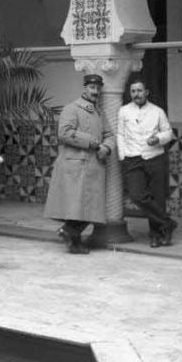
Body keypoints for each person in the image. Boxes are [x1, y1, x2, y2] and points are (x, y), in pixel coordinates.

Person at [44, 73, 116, 254]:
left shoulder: (100, 112)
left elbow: (109, 134)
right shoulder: (72, 109)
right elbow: (64, 133)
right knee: (78, 207)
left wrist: (106, 148)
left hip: (93, 165)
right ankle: (72, 237)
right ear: (85, 88)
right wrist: (92, 142)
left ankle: (70, 236)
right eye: (92, 88)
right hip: (75, 166)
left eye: (98, 88)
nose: (95, 92)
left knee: (89, 207)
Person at [117, 79, 177, 247]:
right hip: (132, 158)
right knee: (137, 195)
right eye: (133, 91)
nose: (137, 94)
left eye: (140, 91)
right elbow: (120, 134)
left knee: (157, 198)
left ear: (146, 92)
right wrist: (123, 155)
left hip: (154, 158)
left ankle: (157, 234)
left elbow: (168, 133)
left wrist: (157, 139)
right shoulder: (124, 111)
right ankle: (167, 223)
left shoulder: (157, 111)